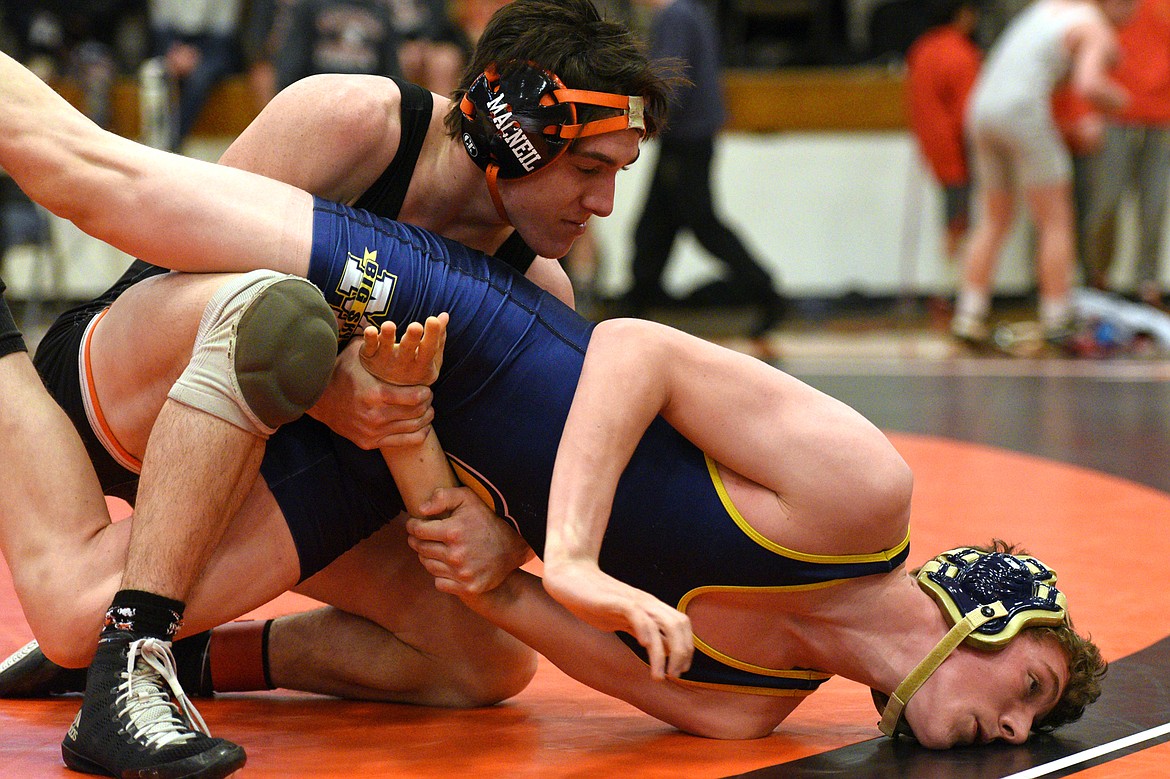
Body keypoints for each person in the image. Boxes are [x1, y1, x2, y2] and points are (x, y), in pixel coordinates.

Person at [0, 43, 1105, 770]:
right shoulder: (863, 495)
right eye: (1032, 688)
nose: (1013, 726)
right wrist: (571, 556)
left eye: (1027, 726)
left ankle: (165, 655)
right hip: (464, 322)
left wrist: (413, 445)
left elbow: (486, 577)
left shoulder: (742, 703)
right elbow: (633, 351)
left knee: (72, 618)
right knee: (96, 175)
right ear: (994, 607)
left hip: (406, 430)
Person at [2, 1, 674, 775]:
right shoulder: (353, 121)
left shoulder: (539, 294)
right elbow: (170, 251)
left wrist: (505, 537)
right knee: (272, 313)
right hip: (141, 378)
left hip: (264, 464)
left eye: (618, 173)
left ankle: (185, 662)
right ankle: (132, 656)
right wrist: (325, 381)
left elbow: (512, 479)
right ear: (514, 130)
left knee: (483, 660)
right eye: (589, 169)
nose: (603, 205)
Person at [951, 0, 1137, 345]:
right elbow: (1089, 84)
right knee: (1055, 220)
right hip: (1021, 112)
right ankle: (1056, 317)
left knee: (994, 219)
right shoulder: (1095, 25)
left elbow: (1037, 70)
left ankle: (968, 314)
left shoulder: (1047, 7)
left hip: (981, 111)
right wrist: (1122, 101)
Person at [622, 0, 785, 338]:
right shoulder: (692, 11)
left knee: (701, 224)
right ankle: (636, 303)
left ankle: (767, 293)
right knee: (657, 224)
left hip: (686, 140)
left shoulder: (675, 16)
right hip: (690, 137)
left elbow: (669, 80)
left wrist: (634, 120)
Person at [1081, 0, 1170, 305]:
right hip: (1115, 118)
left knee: (1154, 204)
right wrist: (1087, 112)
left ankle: (1147, 282)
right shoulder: (1105, 8)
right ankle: (1098, 277)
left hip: (1161, 120)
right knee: (1106, 200)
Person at [905, 0, 982, 265]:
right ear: (961, 14)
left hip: (931, 143)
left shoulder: (922, 48)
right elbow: (968, 111)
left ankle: (953, 283)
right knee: (961, 219)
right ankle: (959, 285)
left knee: (951, 215)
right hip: (958, 146)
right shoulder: (961, 52)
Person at [148, 0, 244, 151]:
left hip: (214, 47)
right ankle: (157, 142)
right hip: (173, 45)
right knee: (154, 73)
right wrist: (174, 52)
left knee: (199, 79)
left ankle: (171, 145)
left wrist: (193, 55)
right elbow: (160, 23)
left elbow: (225, 30)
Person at [274, 0, 403, 93]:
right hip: (317, 96)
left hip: (367, 100)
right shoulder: (309, 7)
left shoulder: (381, 11)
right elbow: (291, 66)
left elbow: (392, 72)